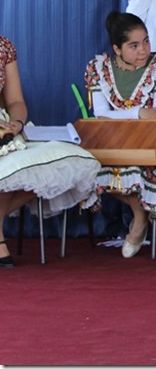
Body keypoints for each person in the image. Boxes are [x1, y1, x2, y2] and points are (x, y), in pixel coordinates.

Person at [84, 12, 156, 258]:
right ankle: (141, 216)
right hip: (112, 141)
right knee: (91, 168)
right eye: (134, 45)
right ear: (117, 49)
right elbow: (100, 116)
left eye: (146, 41)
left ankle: (140, 222)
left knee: (140, 167)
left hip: (150, 143)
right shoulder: (99, 68)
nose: (143, 50)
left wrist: (125, 117)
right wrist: (139, 112)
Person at [0, 37, 101, 268]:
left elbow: (16, 101)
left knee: (41, 163)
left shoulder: (3, 46)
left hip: (4, 132)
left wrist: (16, 122)